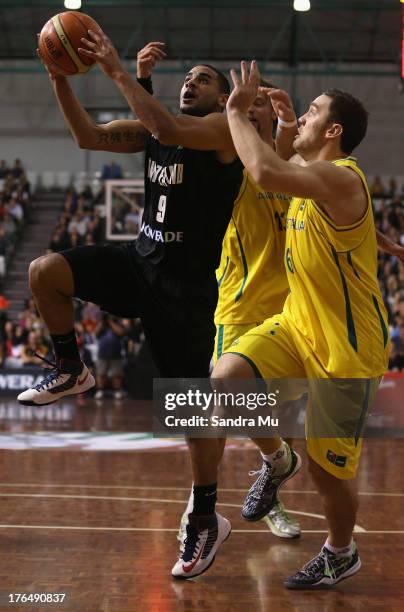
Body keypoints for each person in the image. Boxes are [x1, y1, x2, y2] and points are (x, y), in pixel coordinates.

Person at [18, 32, 246, 572]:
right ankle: (71, 366)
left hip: (186, 289)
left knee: (191, 414)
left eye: (203, 79)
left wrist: (119, 72)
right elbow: (86, 137)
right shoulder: (153, 136)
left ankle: (206, 519)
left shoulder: (221, 132)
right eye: (187, 77)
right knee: (44, 271)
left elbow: (166, 124)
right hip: (140, 262)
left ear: (220, 99)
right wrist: (59, 79)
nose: (192, 81)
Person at [211, 61, 390, 588]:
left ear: (333, 131)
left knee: (328, 469)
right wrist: (288, 127)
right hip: (295, 324)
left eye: (312, 112)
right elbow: (283, 164)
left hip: (346, 348)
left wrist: (234, 110)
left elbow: (265, 171)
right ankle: (275, 457)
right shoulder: (320, 182)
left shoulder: (338, 176)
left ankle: (341, 550)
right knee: (227, 379)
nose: (303, 115)